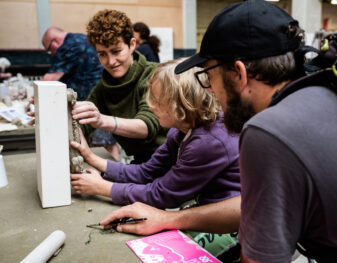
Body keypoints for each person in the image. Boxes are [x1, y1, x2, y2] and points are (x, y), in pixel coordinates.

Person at [100, 1, 337, 263]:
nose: (208, 90)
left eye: (208, 76)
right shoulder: (325, 95)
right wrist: (168, 218)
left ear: (239, 73)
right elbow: (250, 204)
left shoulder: (269, 131)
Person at [70, 58, 240, 209]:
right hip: (203, 205)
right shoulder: (180, 131)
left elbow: (163, 195)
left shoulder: (208, 142)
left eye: (157, 101)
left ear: (182, 104)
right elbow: (147, 172)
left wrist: (103, 188)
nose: (150, 106)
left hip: (227, 224)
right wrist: (92, 158)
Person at [72, 9, 167, 164]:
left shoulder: (155, 75)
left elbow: (147, 126)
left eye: (116, 51)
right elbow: (81, 125)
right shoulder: (104, 88)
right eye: (102, 54)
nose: (110, 61)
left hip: (172, 161)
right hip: (141, 162)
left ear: (132, 44)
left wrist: (102, 120)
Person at [41, 26, 103, 101]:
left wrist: (33, 100)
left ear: (55, 42)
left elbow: (48, 81)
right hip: (99, 93)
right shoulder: (82, 37)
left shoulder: (67, 47)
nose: (51, 54)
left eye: (49, 50)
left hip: (86, 98)